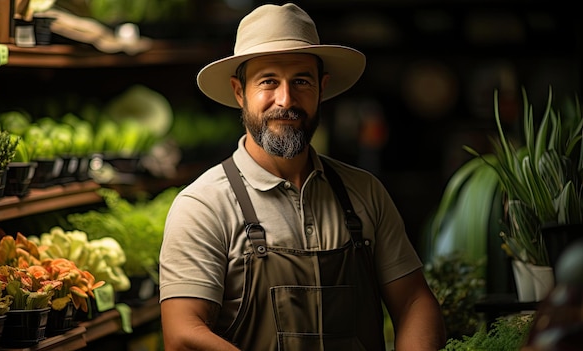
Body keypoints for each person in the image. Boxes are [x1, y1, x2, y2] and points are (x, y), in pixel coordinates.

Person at [159, 3, 446, 350]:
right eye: (268, 81)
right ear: (239, 91)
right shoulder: (203, 206)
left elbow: (415, 301)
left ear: (321, 89)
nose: (286, 99)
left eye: (301, 81)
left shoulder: (365, 192)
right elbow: (183, 334)